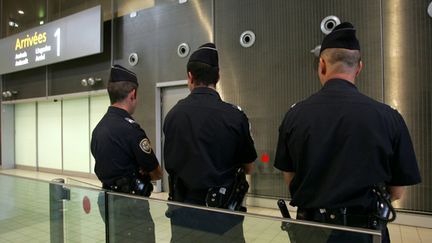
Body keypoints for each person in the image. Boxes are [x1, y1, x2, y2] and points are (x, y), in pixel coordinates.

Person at [274, 22, 421, 243]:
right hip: (366, 233)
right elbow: (397, 192)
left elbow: (290, 177)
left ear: (322, 64)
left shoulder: (295, 116)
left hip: (311, 231)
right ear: (359, 67)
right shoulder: (388, 117)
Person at [163, 43, 257, 242]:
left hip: (183, 214)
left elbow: (170, 166)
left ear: (190, 77)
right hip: (223, 218)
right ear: (218, 76)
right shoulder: (235, 117)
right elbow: (249, 167)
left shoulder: (173, 116)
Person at [91, 64, 163, 243]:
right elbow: (156, 172)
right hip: (130, 206)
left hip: (106, 200)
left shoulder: (98, 129)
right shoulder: (131, 130)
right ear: (133, 94)